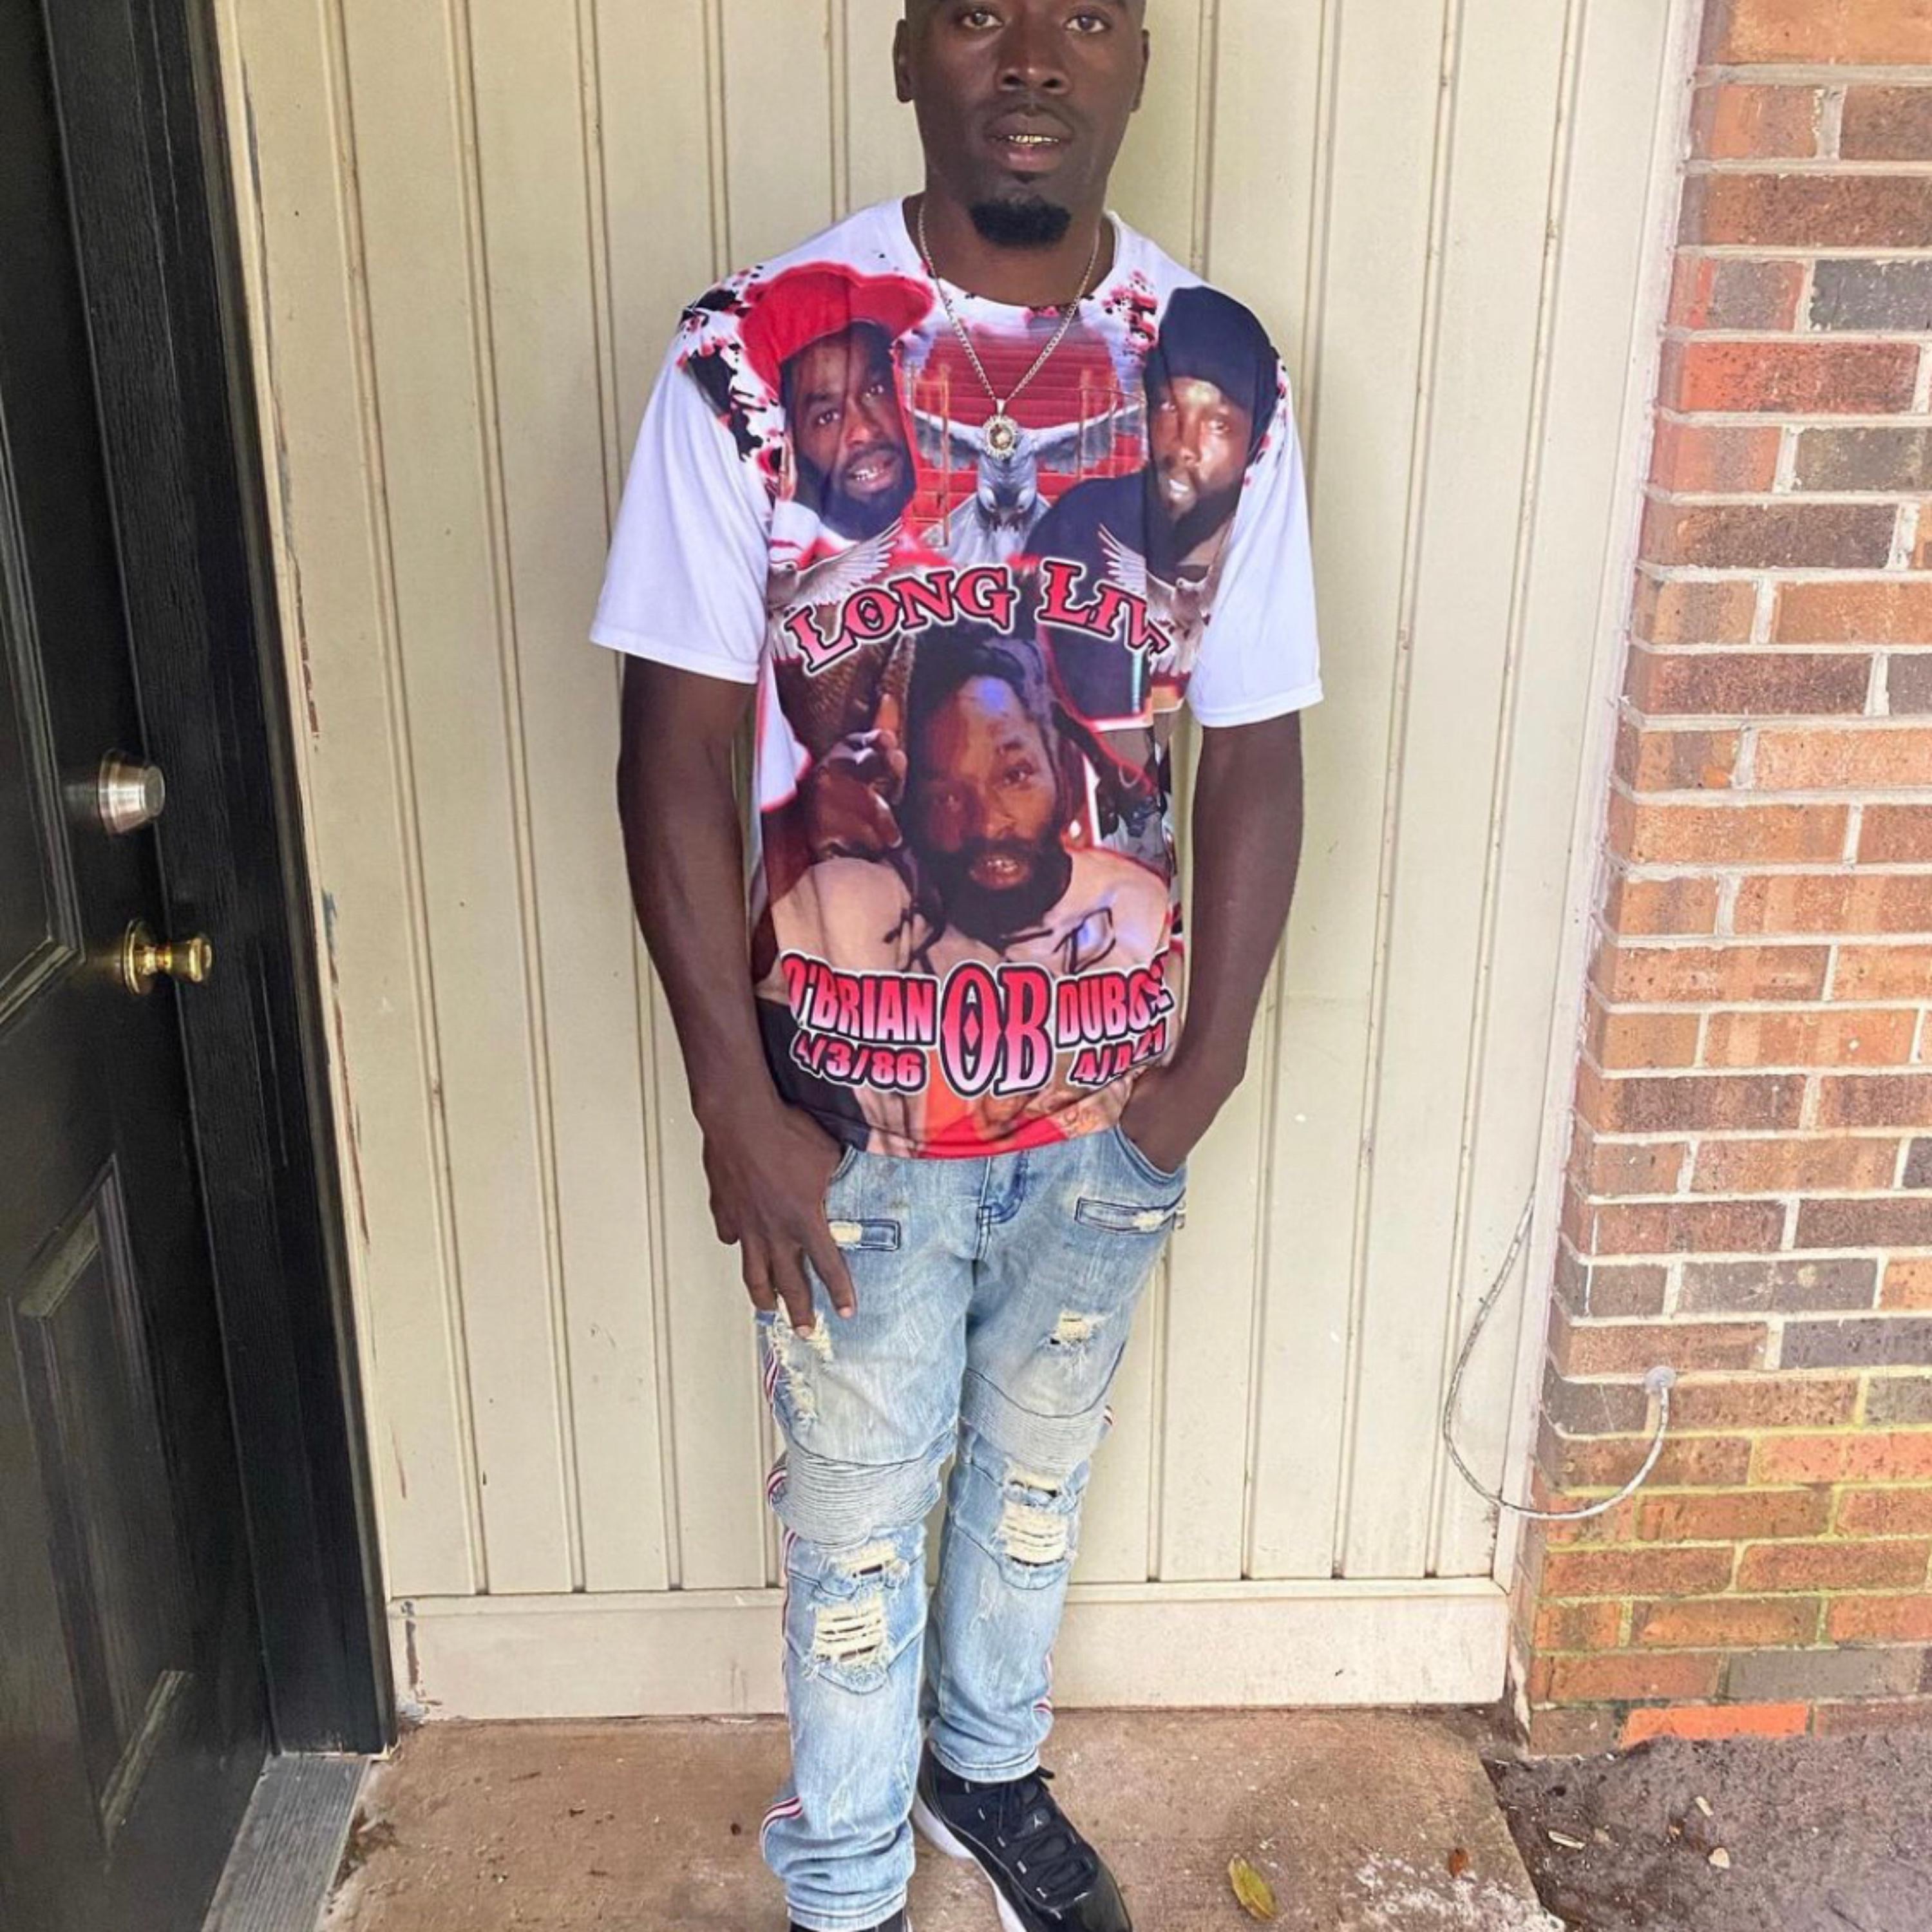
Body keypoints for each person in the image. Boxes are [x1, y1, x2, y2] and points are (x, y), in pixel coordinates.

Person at [596, 3, 1321, 1926]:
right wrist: (735, 1104)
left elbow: (1255, 741)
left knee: (1035, 1477)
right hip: (848, 1121)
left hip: (1105, 1106)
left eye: (1084, 16)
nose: (1033, 60)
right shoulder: (754, 356)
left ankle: (984, 1771)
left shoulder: (1218, 371)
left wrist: (1204, 1070)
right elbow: (671, 753)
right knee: (854, 1523)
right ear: (909, 51)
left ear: (1138, 59)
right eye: (983, 13)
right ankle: (843, 1876)